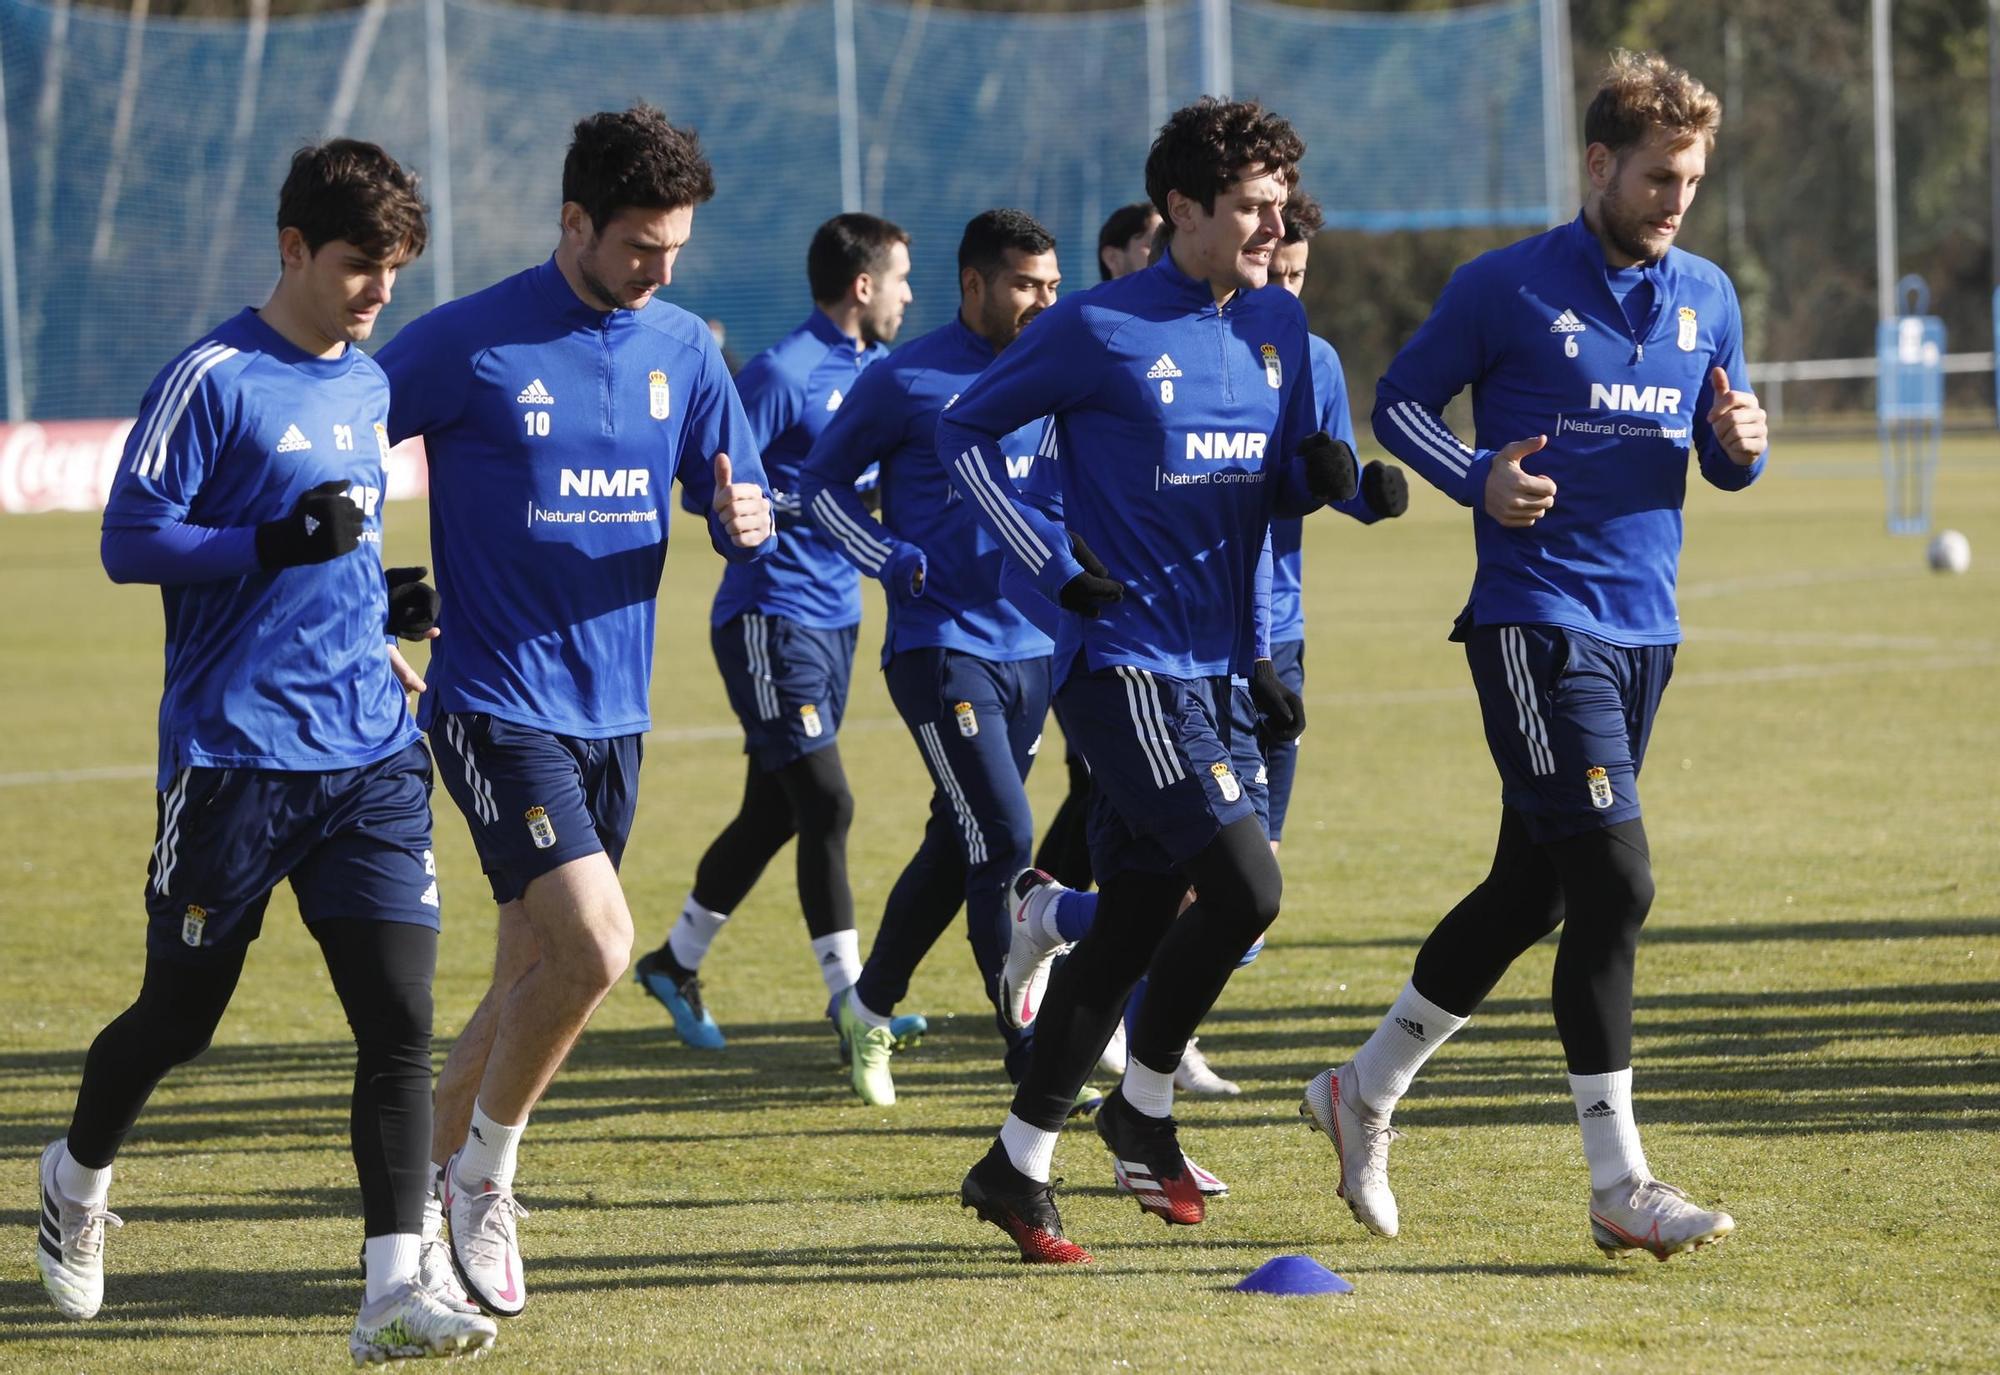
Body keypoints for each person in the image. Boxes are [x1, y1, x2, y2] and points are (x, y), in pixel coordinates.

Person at [36, 140, 497, 1362]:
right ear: (293, 249)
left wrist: (375, 594)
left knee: (398, 1024)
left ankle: (394, 1288)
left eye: (394, 269)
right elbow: (130, 543)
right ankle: (75, 1180)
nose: (377, 292)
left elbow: (328, 538)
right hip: (235, 759)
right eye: (358, 266)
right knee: (178, 1022)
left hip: (369, 753)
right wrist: (271, 542)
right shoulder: (211, 377)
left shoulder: (367, 384)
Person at [1303, 50, 1764, 1262]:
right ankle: (1619, 1181)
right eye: (1658, 176)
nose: (1675, 200)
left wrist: (1739, 443)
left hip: (1643, 631)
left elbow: (1720, 454)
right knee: (1615, 882)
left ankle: (1360, 1087)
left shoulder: (1707, 293)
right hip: (1534, 619)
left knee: (1534, 889)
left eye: (1691, 181)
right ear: (1599, 165)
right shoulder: (1503, 286)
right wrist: (1477, 478)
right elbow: (1397, 403)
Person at [376, 105, 775, 1317]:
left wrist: (741, 514)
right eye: (639, 248)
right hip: (494, 699)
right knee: (599, 948)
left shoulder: (684, 348)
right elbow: (332, 452)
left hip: (616, 709)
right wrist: (364, 609)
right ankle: (488, 1179)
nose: (659, 271)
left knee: (528, 977)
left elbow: (734, 477)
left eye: (674, 251)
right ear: (574, 221)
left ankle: (417, 1204)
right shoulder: (468, 342)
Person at [942, 98, 1355, 1263]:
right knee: (1245, 888)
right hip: (1118, 665)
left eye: (1281, 204)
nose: (1274, 226)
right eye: (1252, 207)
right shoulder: (1097, 328)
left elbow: (1259, 499)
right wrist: (1048, 559)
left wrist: (1317, 490)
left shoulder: (1274, 330)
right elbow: (965, 436)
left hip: (1217, 671)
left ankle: (1014, 1166)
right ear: (1181, 209)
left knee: (1128, 922)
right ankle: (1142, 1104)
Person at [798, 209, 1071, 1109]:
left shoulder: (1057, 372)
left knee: (957, 843)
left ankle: (868, 1005)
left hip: (1038, 649)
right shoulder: (906, 379)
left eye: (1053, 286)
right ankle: (1030, 1048)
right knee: (1005, 833)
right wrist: (887, 556)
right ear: (975, 284)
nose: (1042, 301)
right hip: (941, 645)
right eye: (1026, 284)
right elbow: (819, 486)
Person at [635, 213, 915, 1051]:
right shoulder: (783, 372)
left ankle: (673, 961)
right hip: (768, 616)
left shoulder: (881, 371)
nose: (909, 295)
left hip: (838, 619)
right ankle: (852, 1002)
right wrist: (804, 503)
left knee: (775, 812)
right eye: (900, 279)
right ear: (862, 286)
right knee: (827, 802)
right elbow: (703, 486)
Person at [1032, 200, 1167, 895]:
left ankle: (1060, 926)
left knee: (1107, 791)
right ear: (1113, 255)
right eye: (1151, 241)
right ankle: (1045, 916)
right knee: (1101, 782)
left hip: (1174, 619)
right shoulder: (1086, 333)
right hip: (1081, 614)